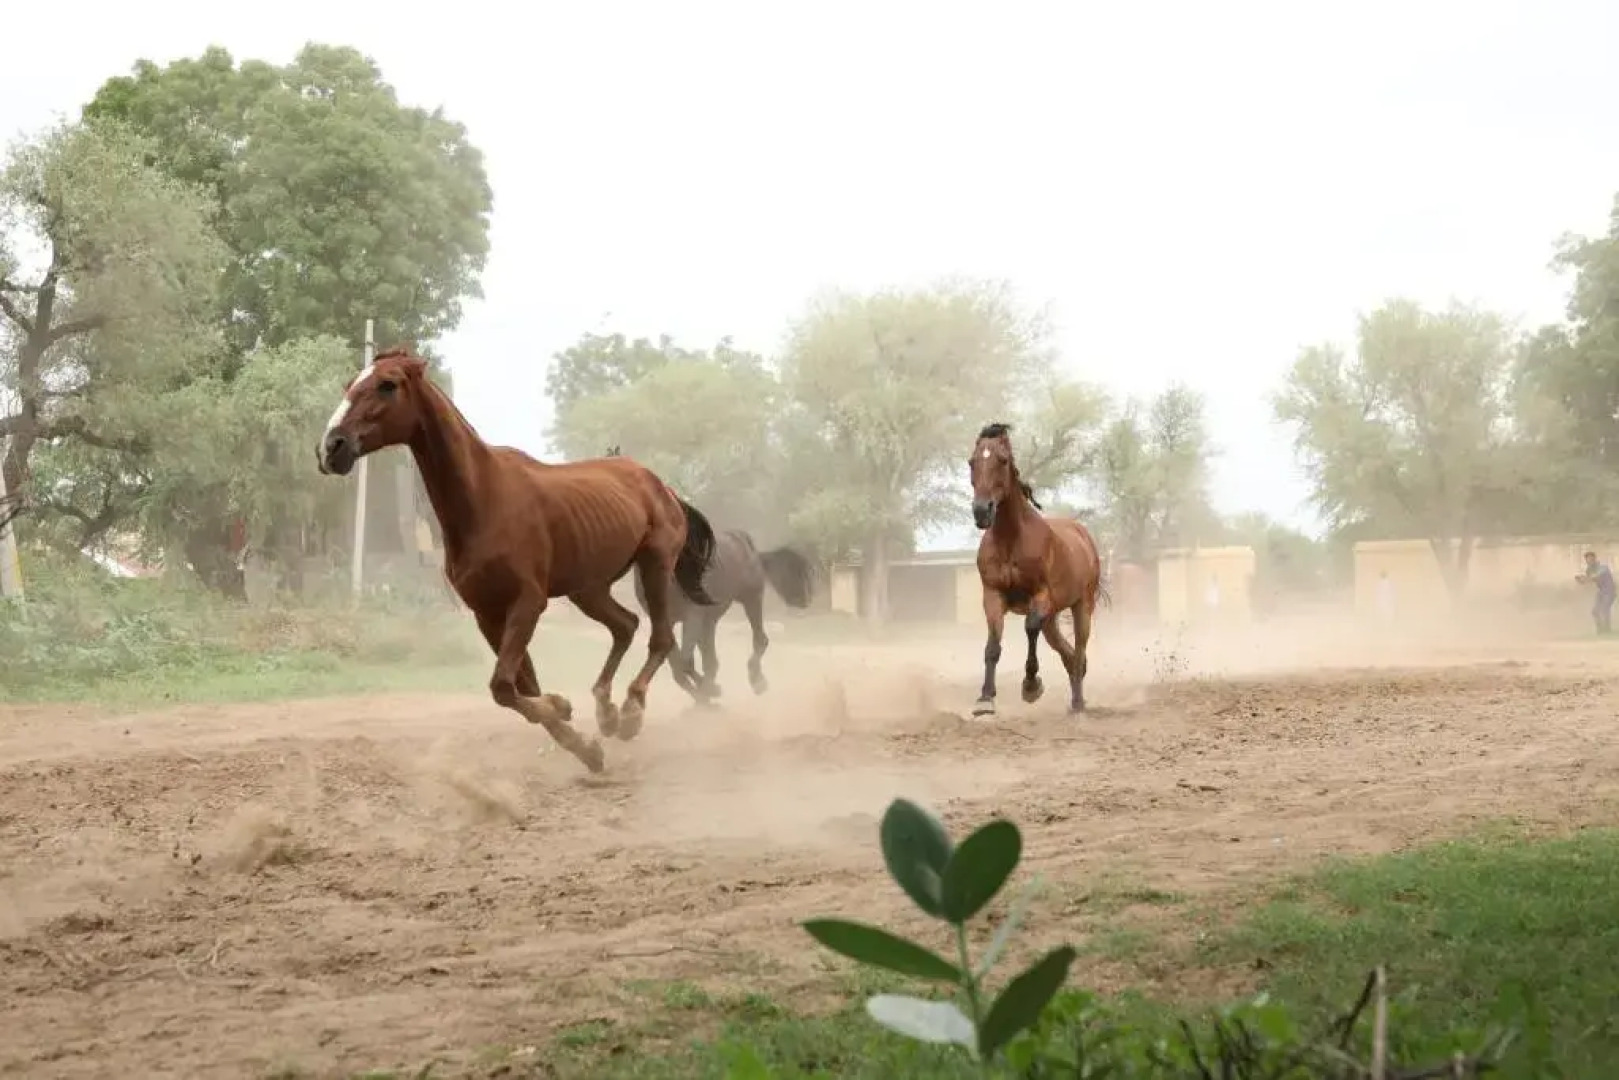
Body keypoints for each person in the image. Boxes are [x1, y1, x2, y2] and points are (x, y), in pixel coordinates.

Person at [1575, 551, 1616, 635]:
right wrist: (1581, 580)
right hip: (1601, 591)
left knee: (1604, 609)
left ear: (1594, 559)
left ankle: (1607, 629)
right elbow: (1589, 581)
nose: (1589, 561)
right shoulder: (1589, 570)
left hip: (1610, 591)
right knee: (1595, 611)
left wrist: (1585, 578)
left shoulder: (1603, 567)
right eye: (1587, 559)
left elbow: (1596, 576)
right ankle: (1600, 629)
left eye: (1591, 559)